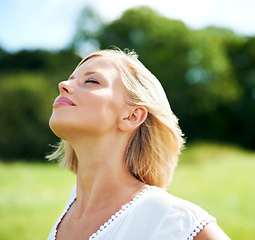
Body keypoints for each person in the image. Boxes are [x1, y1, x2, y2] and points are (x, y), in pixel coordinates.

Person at [47, 49, 230, 240]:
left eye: (91, 81)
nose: (63, 85)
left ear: (132, 116)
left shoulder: (176, 220)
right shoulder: (70, 208)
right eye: (70, 78)